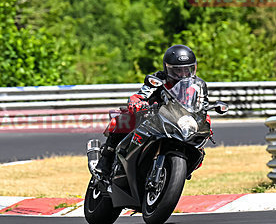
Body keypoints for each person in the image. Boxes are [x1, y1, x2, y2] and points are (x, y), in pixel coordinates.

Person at [94, 44, 226, 180]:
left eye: (187, 69)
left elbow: (201, 107)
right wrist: (138, 103)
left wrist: (206, 122)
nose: (183, 74)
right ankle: (105, 161)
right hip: (152, 118)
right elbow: (139, 95)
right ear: (167, 68)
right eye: (178, 70)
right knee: (122, 120)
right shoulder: (158, 79)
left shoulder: (198, 86)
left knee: (200, 149)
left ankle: (179, 171)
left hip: (179, 123)